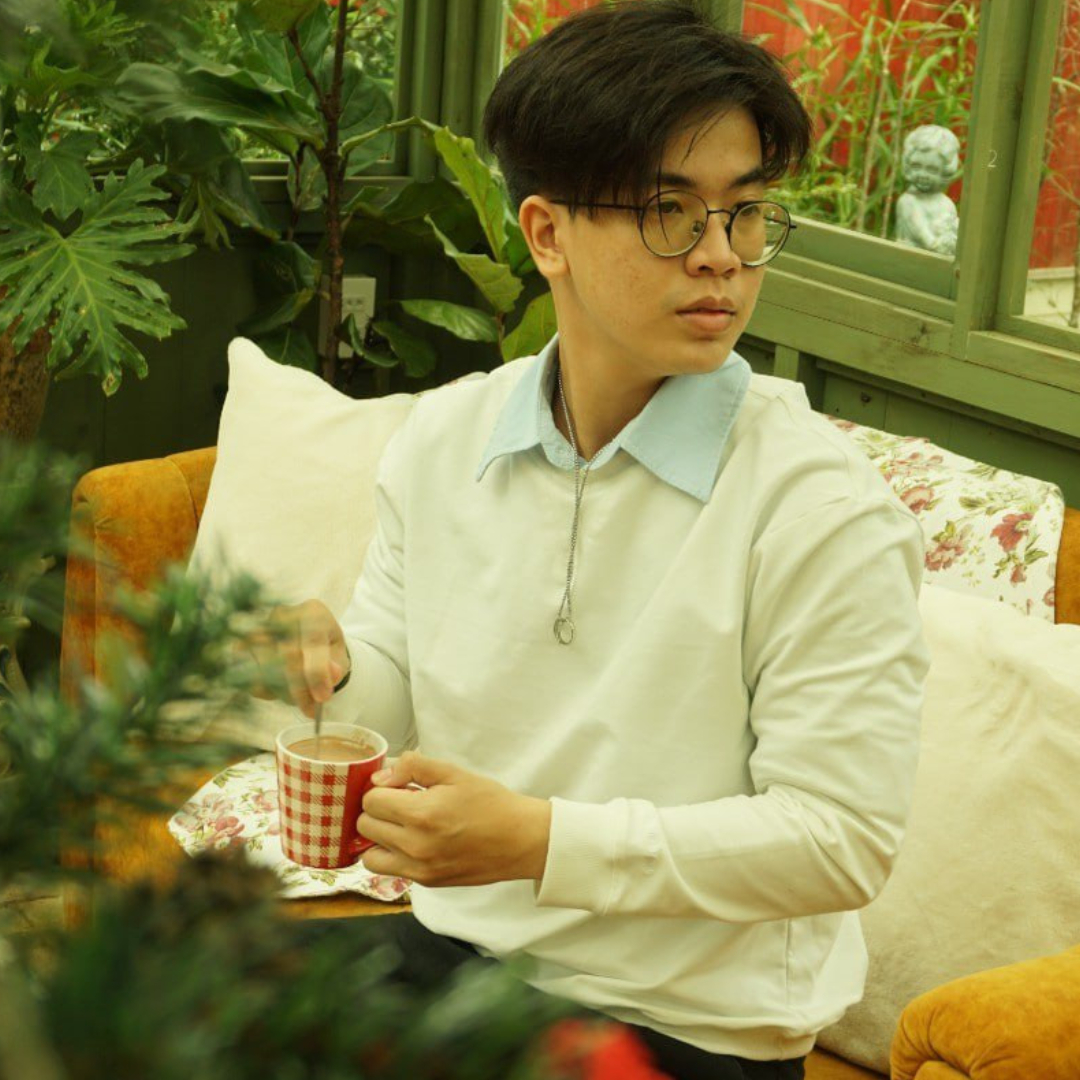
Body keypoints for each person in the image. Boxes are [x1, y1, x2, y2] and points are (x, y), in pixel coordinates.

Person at [258, 2, 931, 1077]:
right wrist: (327, 665)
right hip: (462, 957)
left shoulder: (819, 508)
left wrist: (542, 842)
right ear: (547, 234)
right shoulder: (445, 440)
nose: (721, 257)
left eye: (745, 213)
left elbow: (837, 842)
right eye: (671, 211)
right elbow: (394, 691)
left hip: (685, 1028)